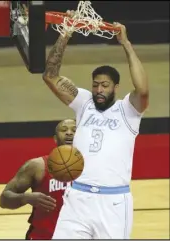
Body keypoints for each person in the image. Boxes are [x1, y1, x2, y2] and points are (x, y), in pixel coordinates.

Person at [42, 16, 149, 239]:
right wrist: (66, 32)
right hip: (77, 198)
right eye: (95, 85)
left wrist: (126, 44)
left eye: (105, 85)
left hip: (113, 203)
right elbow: (50, 75)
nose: (99, 89)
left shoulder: (129, 110)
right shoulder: (84, 103)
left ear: (116, 87)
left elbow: (143, 88)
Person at [0, 119, 76, 240]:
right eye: (64, 130)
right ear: (55, 139)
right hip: (43, 236)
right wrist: (25, 198)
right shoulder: (37, 166)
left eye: (74, 130)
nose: (69, 133)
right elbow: (4, 199)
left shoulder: (96, 168)